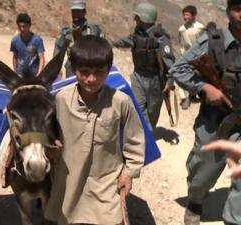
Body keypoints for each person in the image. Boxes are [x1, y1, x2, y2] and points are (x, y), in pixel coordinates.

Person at [45, 35, 145, 225]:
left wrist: (129, 173)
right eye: (84, 72)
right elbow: (48, 134)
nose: (91, 79)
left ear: (109, 70)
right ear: (74, 70)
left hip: (106, 182)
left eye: (99, 72)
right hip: (68, 183)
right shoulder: (61, 99)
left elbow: (135, 140)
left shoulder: (120, 102)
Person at [169, 0, 241, 224]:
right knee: (202, 174)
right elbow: (178, 69)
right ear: (229, 11)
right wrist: (204, 87)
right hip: (215, 120)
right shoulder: (212, 41)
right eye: (238, 7)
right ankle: (196, 201)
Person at [113, 2, 175, 130]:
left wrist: (170, 81)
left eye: (137, 17)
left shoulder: (161, 39)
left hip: (155, 81)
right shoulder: (137, 33)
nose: (135, 19)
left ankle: (147, 135)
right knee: (138, 108)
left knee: (152, 113)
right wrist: (112, 43)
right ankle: (143, 138)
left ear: (144, 18)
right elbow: (127, 41)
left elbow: (170, 63)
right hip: (138, 77)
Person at [53, 0, 104, 78]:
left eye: (78, 12)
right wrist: (56, 69)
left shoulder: (94, 29)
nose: (75, 14)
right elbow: (58, 51)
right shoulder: (66, 31)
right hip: (72, 68)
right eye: (73, 11)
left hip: (91, 67)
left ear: (84, 12)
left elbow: (102, 48)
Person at [177, 5, 205, 109]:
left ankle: (192, 96)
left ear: (194, 16)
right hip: (186, 56)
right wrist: (182, 55)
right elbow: (181, 44)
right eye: (184, 15)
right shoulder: (181, 29)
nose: (185, 17)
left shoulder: (200, 28)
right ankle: (183, 98)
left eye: (187, 15)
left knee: (197, 77)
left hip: (198, 56)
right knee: (179, 74)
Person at [10, 13, 45, 77]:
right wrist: (15, 73)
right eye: (20, 26)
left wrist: (39, 74)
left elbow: (41, 58)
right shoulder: (14, 41)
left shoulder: (37, 40)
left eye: (24, 26)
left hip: (34, 75)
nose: (22, 29)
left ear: (29, 26)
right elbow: (15, 57)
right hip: (20, 75)